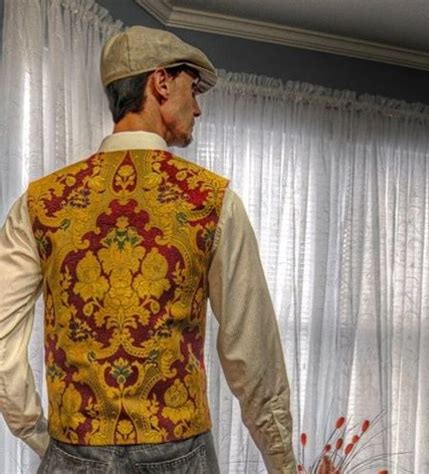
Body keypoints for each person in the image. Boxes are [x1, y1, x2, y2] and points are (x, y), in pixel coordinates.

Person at [0, 26, 297, 473]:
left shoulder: (41, 202)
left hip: (74, 449)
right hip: (180, 455)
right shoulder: (211, 201)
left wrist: (38, 434)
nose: (197, 107)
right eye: (192, 88)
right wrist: (282, 461)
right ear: (161, 82)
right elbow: (251, 349)